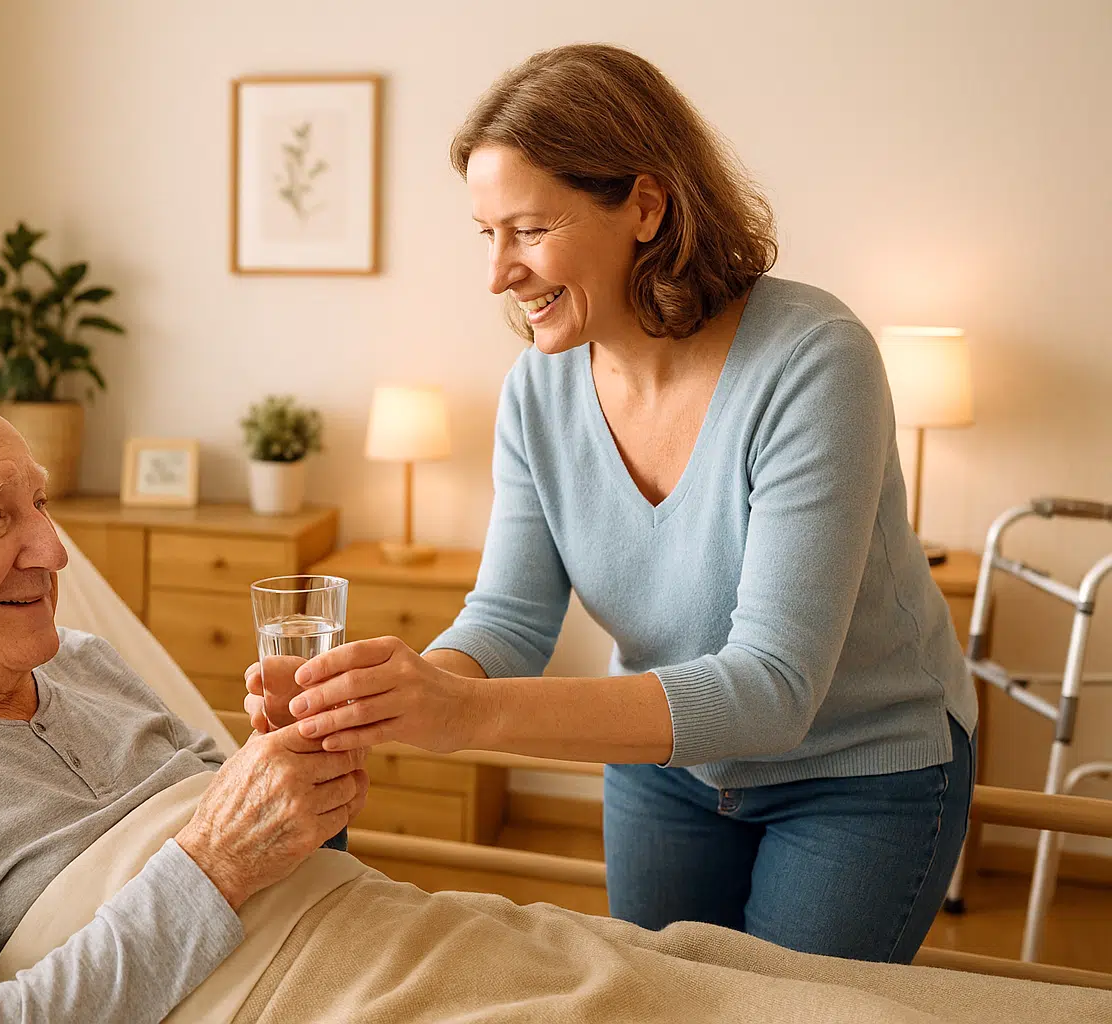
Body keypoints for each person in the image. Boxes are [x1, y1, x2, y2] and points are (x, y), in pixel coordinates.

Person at [247, 43, 976, 964]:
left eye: (530, 229)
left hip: (857, 766)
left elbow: (776, 691)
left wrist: (465, 717)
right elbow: (509, 618)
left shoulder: (814, 362)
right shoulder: (537, 391)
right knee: (657, 999)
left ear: (644, 205)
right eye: (486, 233)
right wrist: (395, 694)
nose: (498, 274)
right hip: (664, 767)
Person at [0, 377, 368, 1024]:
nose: (55, 550)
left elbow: (290, 861)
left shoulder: (86, 660)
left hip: (378, 940)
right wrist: (215, 866)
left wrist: (309, 782)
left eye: (40, 503)